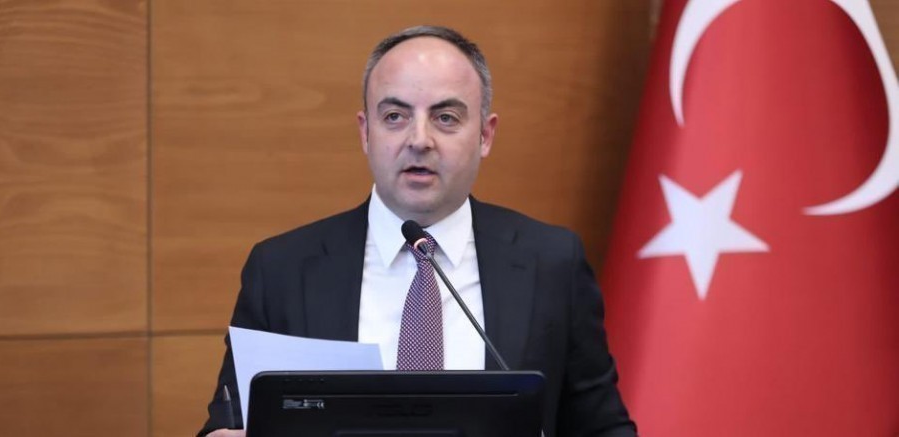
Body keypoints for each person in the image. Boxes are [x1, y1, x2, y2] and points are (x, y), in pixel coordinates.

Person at [199, 25, 636, 437]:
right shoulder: (282, 271)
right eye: (395, 116)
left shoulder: (551, 262)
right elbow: (229, 420)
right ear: (365, 132)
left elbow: (602, 427)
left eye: (445, 117)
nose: (420, 139)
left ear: (485, 135)